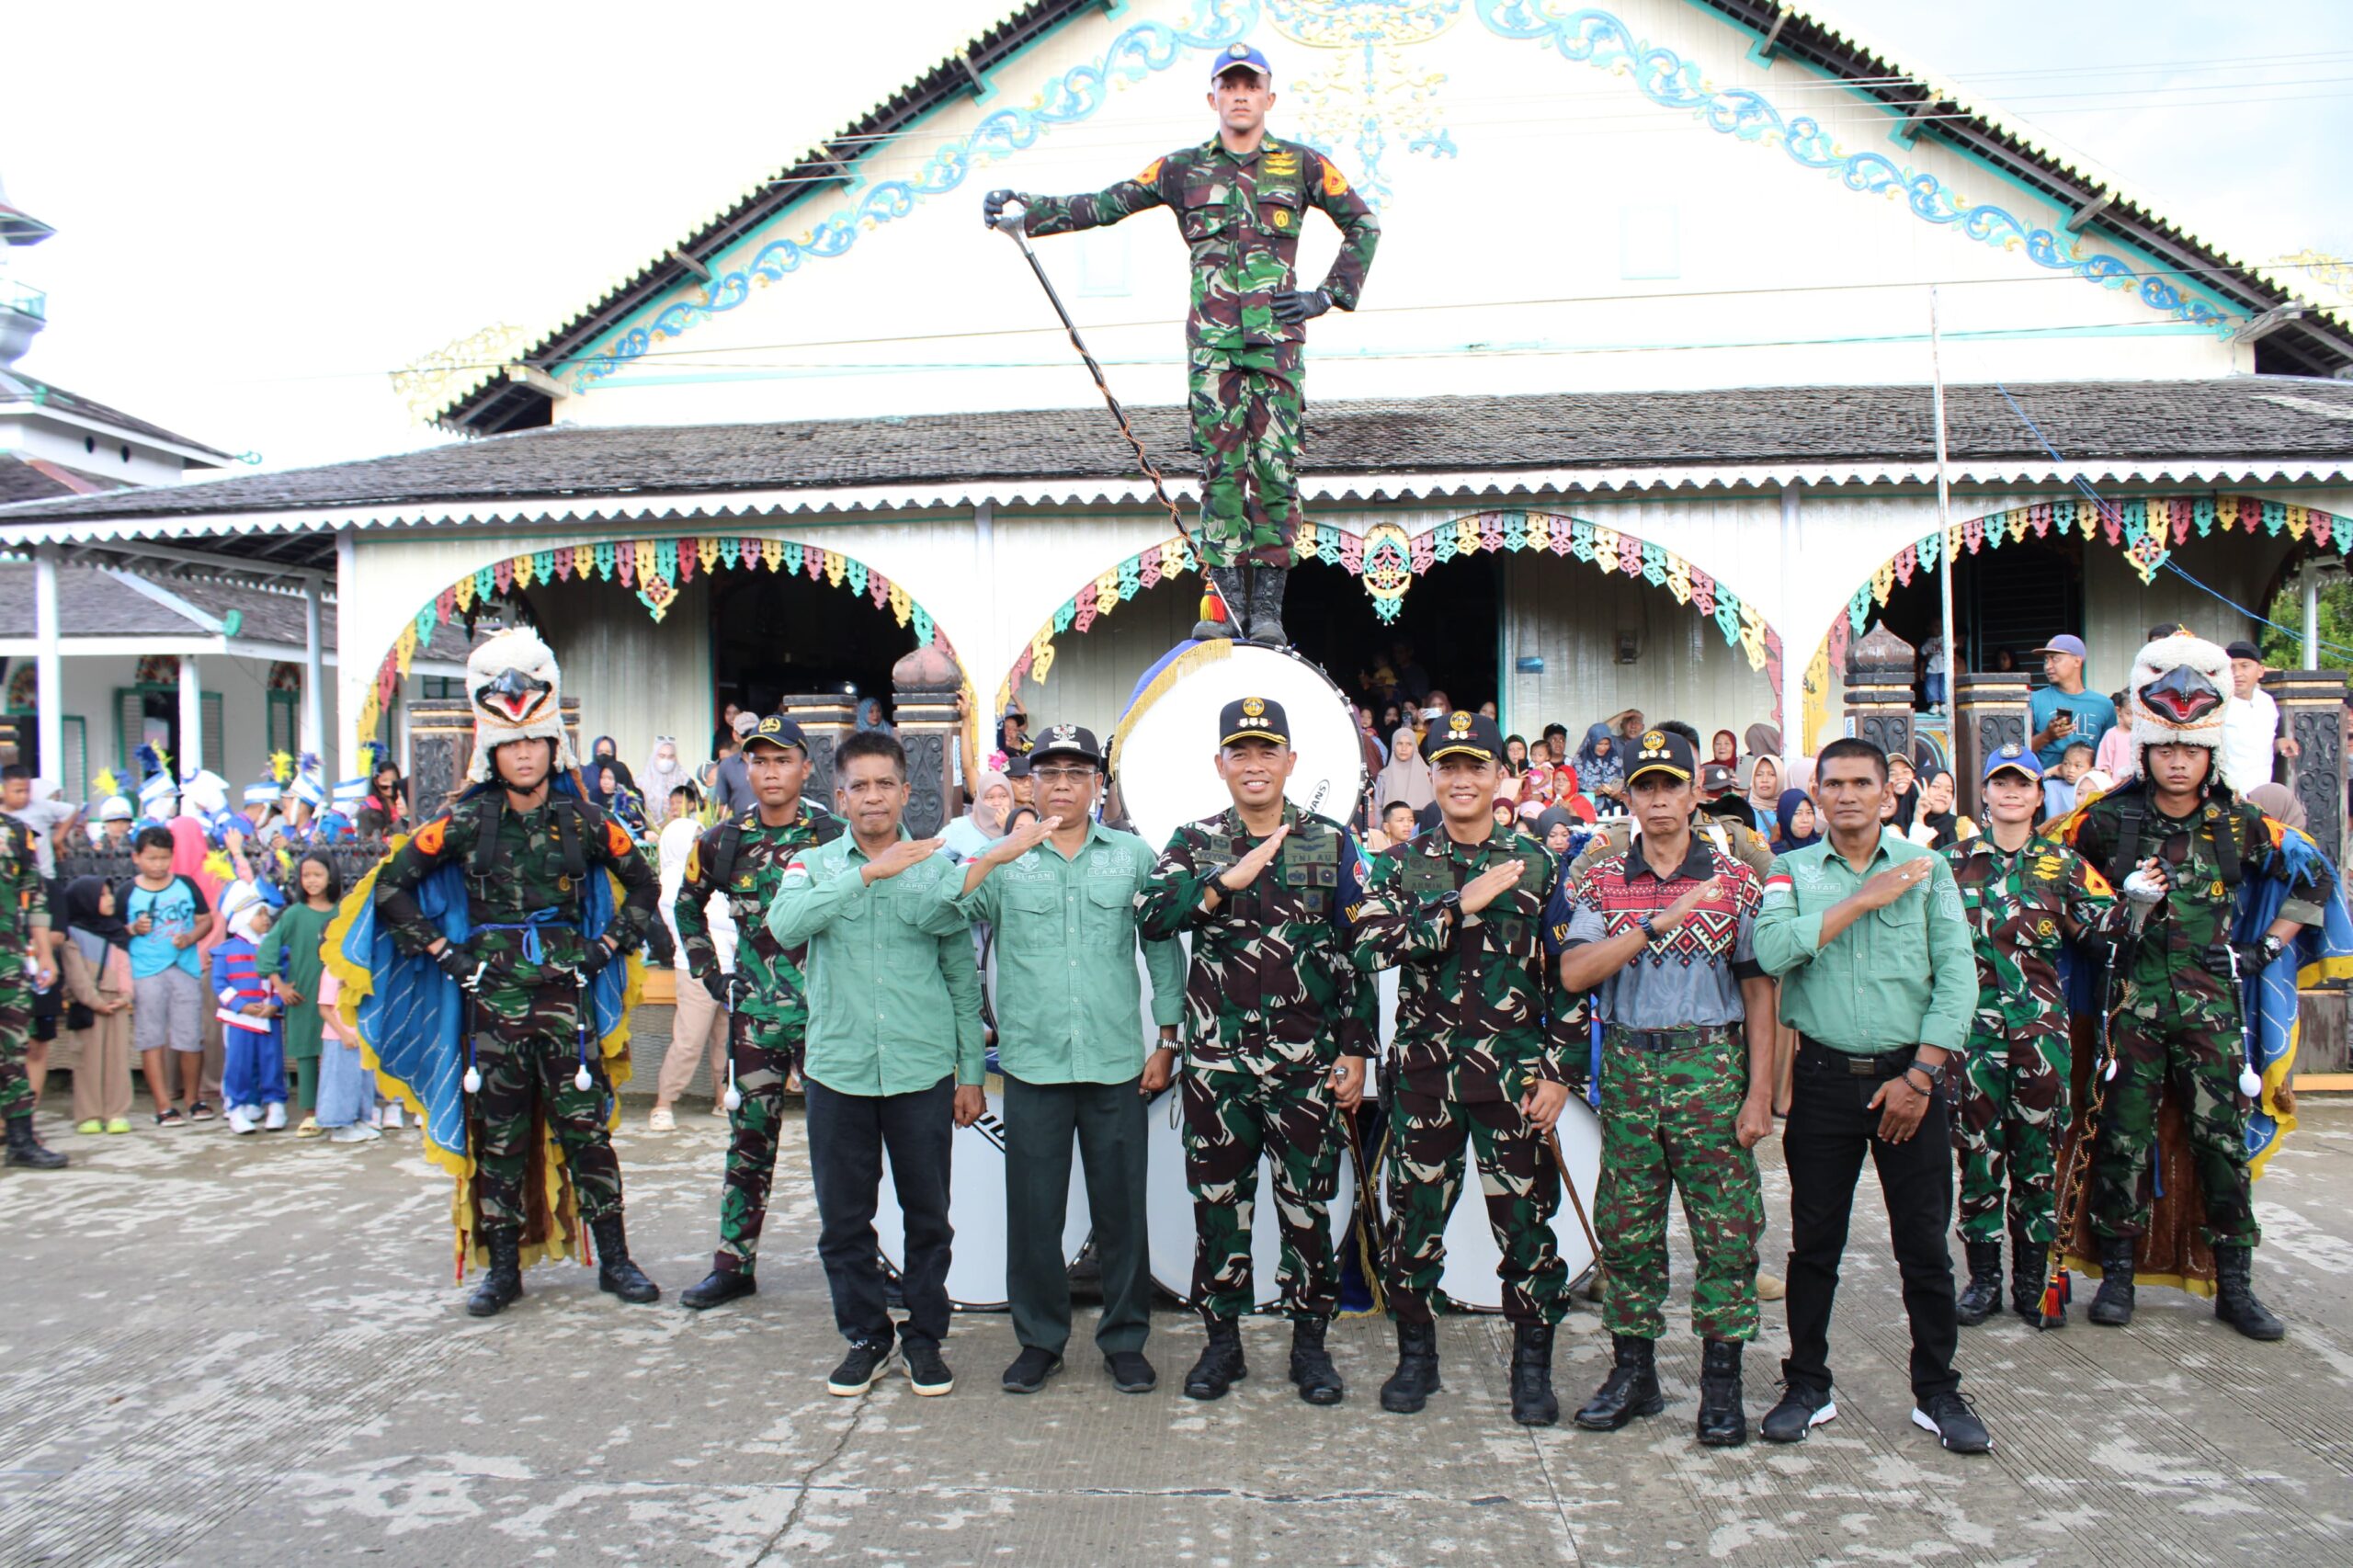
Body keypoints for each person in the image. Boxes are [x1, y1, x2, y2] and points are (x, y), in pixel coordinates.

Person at [986, 44, 1378, 645]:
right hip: (1213, 351)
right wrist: (1029, 211)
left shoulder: (1302, 166)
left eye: (1252, 85)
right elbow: (1107, 203)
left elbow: (1363, 223)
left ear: (1269, 97)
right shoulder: (1182, 169)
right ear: (1213, 97)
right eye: (1230, 85)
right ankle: (1225, 608)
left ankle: (1268, 611)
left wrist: (1327, 296)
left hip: (1276, 348)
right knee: (1221, 472)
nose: (1241, 94)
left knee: (1273, 472)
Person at [2049, 632, 2336, 1340]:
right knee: (2121, 1138)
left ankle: (2232, 1281)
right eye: (2166, 749)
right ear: (2145, 750)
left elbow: (2315, 880)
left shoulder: (2239, 823)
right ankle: (2116, 1275)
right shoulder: (2105, 820)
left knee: (2219, 1144)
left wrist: (2266, 949)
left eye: (2191, 750)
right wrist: (2096, 927)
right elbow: (2047, 877)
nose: (2178, 761)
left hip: (2214, 1007)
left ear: (2209, 754)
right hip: (2129, 1009)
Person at [369, 628, 663, 1317]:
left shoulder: (589, 821)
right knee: (497, 1138)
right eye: (511, 744)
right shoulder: (464, 823)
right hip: (490, 1005)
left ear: (551, 743)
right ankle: (502, 1272)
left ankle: (615, 1260)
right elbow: (392, 888)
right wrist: (447, 956)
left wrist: (601, 950)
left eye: (533, 741)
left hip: (567, 1001)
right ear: (492, 750)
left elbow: (645, 888)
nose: (524, 753)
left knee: (587, 1133)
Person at [1135, 696, 1375, 1405]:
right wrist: (1220, 887)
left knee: (1308, 1207)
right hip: (1218, 1070)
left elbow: (1357, 954)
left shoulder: (1328, 843)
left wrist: (1357, 1052)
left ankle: (1310, 1347)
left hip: (1306, 1069)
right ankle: (1222, 1345)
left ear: (1291, 761)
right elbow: (1152, 915)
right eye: (1239, 751)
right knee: (1219, 1208)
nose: (1254, 764)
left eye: (1268, 750)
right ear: (1220, 765)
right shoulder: (1195, 840)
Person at [1753, 736, 1988, 1454]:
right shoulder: (1789, 870)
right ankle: (1807, 1384)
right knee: (1814, 1243)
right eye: (1834, 784)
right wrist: (1861, 902)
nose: (1848, 795)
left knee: (1922, 1245)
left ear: (1888, 793)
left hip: (1908, 1080)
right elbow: (1771, 954)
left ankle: (1938, 1390)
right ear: (1816, 794)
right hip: (1823, 1082)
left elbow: (1958, 977)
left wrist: (1920, 1077)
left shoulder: (1929, 868)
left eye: (1863, 783)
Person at [1549, 729, 1774, 1445]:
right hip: (1629, 1065)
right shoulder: (1600, 878)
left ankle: (1721, 1384)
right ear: (1628, 796)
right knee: (1628, 1229)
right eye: (1644, 786)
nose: (1658, 800)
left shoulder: (1735, 879)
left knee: (1726, 1229)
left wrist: (1761, 1090)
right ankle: (1634, 1373)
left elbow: (1761, 990)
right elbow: (1577, 974)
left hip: (1710, 1064)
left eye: (1670, 785)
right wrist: (1654, 924)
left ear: (1695, 793)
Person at [947, 722, 1184, 1394]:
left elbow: (1162, 947)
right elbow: (948, 907)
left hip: (1115, 1064)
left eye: (1077, 773)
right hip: (1033, 1066)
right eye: (1048, 772)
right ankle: (1040, 1341)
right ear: (1030, 784)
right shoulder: (1006, 856)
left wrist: (1167, 1039)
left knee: (1121, 1212)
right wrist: (995, 856)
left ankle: (1125, 1340)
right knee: (1034, 1213)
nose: (1062, 783)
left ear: (1097, 785)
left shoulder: (1133, 856)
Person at [1349, 711, 1571, 1425]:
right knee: (1412, 1226)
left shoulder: (1536, 862)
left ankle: (1531, 1368)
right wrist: (1455, 905)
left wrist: (1560, 1070)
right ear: (1432, 778)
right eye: (1449, 767)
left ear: (1499, 776)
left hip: (1513, 1082)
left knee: (1528, 1229)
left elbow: (1563, 976)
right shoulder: (1399, 864)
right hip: (1424, 1082)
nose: (1463, 779)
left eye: (1476, 766)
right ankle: (1417, 1357)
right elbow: (1370, 947)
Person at [769, 729, 984, 1396]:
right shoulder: (811, 864)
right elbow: (785, 927)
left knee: (928, 1216)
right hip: (839, 1071)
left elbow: (960, 975)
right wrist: (866, 875)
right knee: (843, 1221)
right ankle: (866, 1334)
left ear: (905, 791)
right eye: (858, 786)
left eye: (883, 784)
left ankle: (924, 1338)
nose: (871, 797)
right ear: (838, 796)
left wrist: (971, 1070)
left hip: (921, 1071)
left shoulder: (938, 867)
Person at [676, 714, 847, 1311]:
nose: (770, 772)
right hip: (754, 1020)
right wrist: (709, 973)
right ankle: (733, 1264)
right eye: (759, 760)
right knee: (750, 1145)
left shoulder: (832, 836)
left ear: (805, 767)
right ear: (744, 768)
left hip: (828, 1020)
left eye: (782, 760)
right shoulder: (725, 840)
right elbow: (686, 907)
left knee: (842, 1150)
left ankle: (864, 1266)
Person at [1942, 745, 2117, 1327]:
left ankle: (2031, 1282)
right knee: (1980, 1158)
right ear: (1985, 795)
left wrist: (2139, 903)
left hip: (2041, 1040)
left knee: (2038, 1161)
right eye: (2001, 782)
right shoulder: (1950, 863)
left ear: (2041, 796)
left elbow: (2106, 934)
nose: (2012, 792)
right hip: (1973, 1039)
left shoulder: (2063, 866)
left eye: (2023, 784)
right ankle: (1984, 1279)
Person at [652, 794, 733, 1133]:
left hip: (729, 968)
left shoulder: (704, 874)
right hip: (697, 970)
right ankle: (662, 1105)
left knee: (725, 1040)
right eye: (694, 838)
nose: (700, 844)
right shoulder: (672, 881)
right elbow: (706, 920)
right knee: (689, 1041)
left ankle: (722, 1099)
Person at [123, 824, 213, 1127]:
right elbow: (112, 931)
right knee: (151, 1037)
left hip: (184, 968)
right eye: (152, 858)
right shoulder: (128, 891)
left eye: (164, 858)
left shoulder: (186, 885)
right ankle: (163, 1105)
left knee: (190, 1036)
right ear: (137, 858)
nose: (159, 865)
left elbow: (205, 920)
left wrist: (190, 939)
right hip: (145, 971)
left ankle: (193, 1099)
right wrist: (133, 929)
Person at [259, 852, 340, 1137]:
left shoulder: (342, 913)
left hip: (339, 996)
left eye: (318, 874)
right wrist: (279, 985)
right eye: (306, 875)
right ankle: (310, 1113)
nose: (312, 881)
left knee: (338, 1051)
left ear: (331, 876)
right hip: (304, 992)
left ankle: (339, 1108)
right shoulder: (294, 914)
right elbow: (269, 948)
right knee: (306, 1054)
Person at [58, 876, 135, 1137]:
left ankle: (116, 1112)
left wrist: (126, 996)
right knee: (88, 1060)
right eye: (102, 895)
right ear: (86, 900)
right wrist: (94, 1001)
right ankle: (89, 1113)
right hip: (89, 1003)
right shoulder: (73, 934)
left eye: (109, 894)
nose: (110, 899)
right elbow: (75, 975)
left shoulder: (115, 930)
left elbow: (124, 966)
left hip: (116, 1002)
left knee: (117, 1059)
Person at [211, 882, 287, 1136]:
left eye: (266, 914)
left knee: (272, 1061)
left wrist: (274, 1004)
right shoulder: (226, 951)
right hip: (239, 1020)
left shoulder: (276, 949)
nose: (266, 919)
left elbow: (283, 979)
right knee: (239, 1064)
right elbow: (220, 984)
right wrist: (241, 1006)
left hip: (269, 1017)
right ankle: (237, 1105)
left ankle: (275, 1103)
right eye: (259, 914)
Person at [2028, 634, 2118, 767]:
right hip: (2045, 784)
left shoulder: (2104, 705)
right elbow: (2018, 752)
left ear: (2077, 661)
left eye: (2055, 659)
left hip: (2088, 786)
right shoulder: (2034, 700)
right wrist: (2047, 736)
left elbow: (2110, 757)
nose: (2048, 666)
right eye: (2046, 660)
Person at [2221, 640, 2296, 794]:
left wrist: (2280, 744)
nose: (2237, 673)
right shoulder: (2218, 706)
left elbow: (2259, 748)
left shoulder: (2266, 703)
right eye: (2231, 667)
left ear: (2260, 671)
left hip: (2262, 793)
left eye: (2244, 666)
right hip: (2228, 795)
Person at [941, 770, 1012, 863]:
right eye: (989, 797)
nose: (997, 803)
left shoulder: (1022, 823)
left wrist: (1008, 829)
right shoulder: (961, 827)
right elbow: (935, 860)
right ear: (979, 799)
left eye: (1003, 796)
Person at [1906, 767, 1973, 851]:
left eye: (1949, 790)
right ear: (1917, 788)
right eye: (1936, 787)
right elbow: (1913, 860)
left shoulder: (1963, 826)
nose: (1943, 794)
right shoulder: (1896, 831)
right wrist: (1919, 817)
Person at [1373, 726, 1435, 817]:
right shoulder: (1384, 775)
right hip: (1392, 827)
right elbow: (1377, 809)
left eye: (1409, 744)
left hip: (1424, 827)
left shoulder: (1429, 773)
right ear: (1393, 746)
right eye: (1399, 743)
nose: (1404, 748)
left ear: (1414, 746)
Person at [710, 710, 760, 813]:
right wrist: (733, 823)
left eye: (754, 733)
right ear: (735, 735)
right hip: (740, 826)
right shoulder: (727, 766)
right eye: (745, 734)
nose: (750, 738)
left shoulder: (772, 761)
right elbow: (720, 803)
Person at [641, 737, 695, 827]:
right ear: (654, 756)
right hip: (650, 835)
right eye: (662, 756)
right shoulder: (641, 783)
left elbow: (697, 809)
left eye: (671, 757)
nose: (666, 760)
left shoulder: (685, 780)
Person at [1772, 789, 1820, 854]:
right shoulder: (1772, 855)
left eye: (1809, 813)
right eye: (1797, 813)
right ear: (1784, 817)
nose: (1805, 820)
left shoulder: (1825, 849)